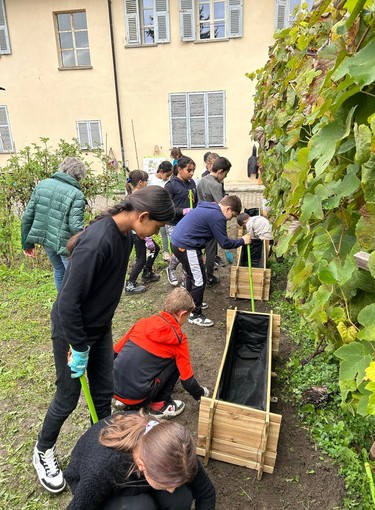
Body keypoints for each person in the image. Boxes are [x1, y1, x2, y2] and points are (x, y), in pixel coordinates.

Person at [32, 186, 175, 494]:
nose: (156, 232)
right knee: (68, 396)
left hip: (98, 327)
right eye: (158, 227)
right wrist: (79, 347)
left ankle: (103, 445)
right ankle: (43, 450)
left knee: (103, 391)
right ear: (144, 216)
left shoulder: (124, 234)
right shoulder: (99, 241)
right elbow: (68, 303)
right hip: (74, 330)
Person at [64, 411, 216, 510]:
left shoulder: (177, 450)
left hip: (145, 475)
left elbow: (206, 492)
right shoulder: (104, 467)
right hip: (102, 486)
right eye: (166, 485)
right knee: (141, 506)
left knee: (180, 498)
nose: (171, 489)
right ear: (142, 465)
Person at [113, 287, 210, 418]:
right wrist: (201, 394)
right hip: (139, 397)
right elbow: (187, 380)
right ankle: (160, 406)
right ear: (182, 314)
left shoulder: (142, 323)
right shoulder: (179, 339)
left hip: (113, 387)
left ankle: (121, 400)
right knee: (176, 362)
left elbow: (114, 353)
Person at [171, 195, 251, 327]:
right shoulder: (218, 216)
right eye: (233, 215)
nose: (231, 219)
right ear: (228, 209)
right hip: (186, 245)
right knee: (199, 280)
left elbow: (197, 229)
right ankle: (195, 314)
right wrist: (242, 240)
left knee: (193, 275)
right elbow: (224, 243)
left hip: (182, 242)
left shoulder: (210, 207)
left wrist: (199, 252)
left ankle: (191, 303)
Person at [21, 156, 86, 291]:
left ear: (62, 168)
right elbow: (75, 226)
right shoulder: (77, 194)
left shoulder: (42, 184)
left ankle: (62, 306)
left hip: (47, 240)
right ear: (79, 176)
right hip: (66, 244)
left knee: (59, 271)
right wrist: (89, 237)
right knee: (74, 277)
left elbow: (27, 216)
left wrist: (27, 244)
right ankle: (74, 307)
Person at [197, 156, 231, 287]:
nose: (225, 177)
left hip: (200, 216)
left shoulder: (202, 180)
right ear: (220, 171)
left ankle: (201, 272)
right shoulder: (216, 185)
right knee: (211, 250)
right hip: (211, 220)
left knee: (201, 248)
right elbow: (221, 206)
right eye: (225, 174)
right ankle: (208, 276)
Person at [125, 170, 161, 293]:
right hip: (138, 233)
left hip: (138, 233)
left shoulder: (134, 195)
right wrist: (147, 238)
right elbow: (140, 219)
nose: (148, 183)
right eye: (146, 181)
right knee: (141, 259)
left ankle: (147, 273)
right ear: (140, 182)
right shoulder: (137, 198)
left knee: (155, 249)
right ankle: (130, 284)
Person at [165, 156, 198, 287]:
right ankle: (171, 269)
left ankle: (186, 280)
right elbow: (166, 207)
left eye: (193, 170)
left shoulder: (192, 183)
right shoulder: (171, 186)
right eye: (189, 170)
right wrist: (182, 211)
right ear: (179, 169)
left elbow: (196, 201)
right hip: (174, 223)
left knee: (188, 251)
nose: (192, 173)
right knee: (180, 251)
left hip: (189, 223)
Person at [148, 161, 174, 261]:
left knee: (167, 231)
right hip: (153, 209)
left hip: (165, 209)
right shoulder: (151, 179)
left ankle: (169, 252)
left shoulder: (168, 182)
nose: (168, 177)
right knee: (156, 231)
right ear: (161, 171)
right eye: (167, 175)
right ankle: (161, 251)